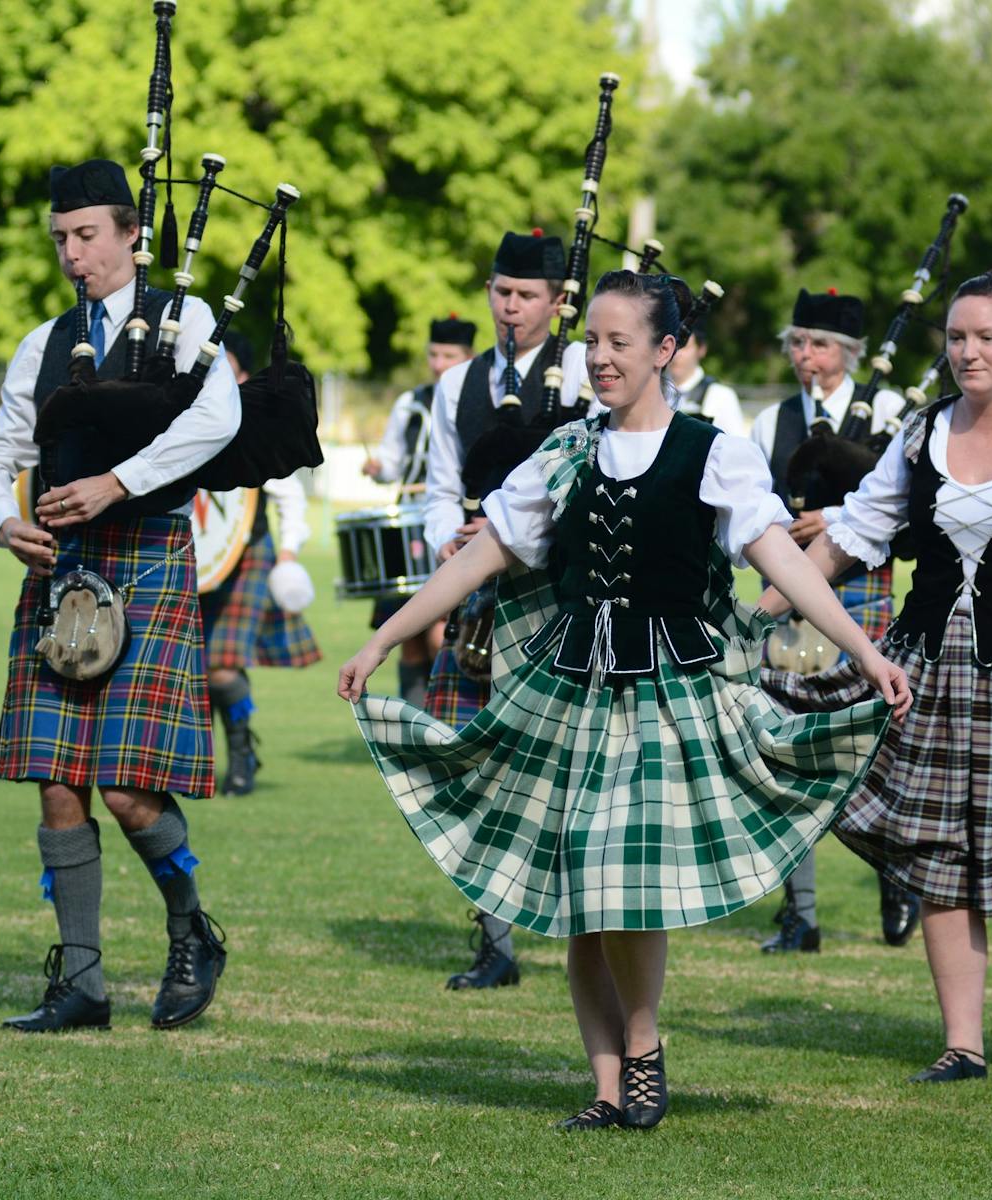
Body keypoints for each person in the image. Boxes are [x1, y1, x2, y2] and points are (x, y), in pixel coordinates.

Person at [340, 270, 905, 1130]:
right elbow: (479, 556)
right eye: (591, 343)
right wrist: (383, 637)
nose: (599, 359)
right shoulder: (565, 453)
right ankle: (607, 1088)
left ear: (665, 350)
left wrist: (864, 650)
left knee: (622, 885)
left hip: (670, 698)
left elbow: (781, 560)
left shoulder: (712, 450)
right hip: (570, 696)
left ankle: (645, 1050)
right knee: (580, 898)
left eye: (619, 343)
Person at [761, 269, 992, 1083]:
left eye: (987, 337)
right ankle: (963, 1043)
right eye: (956, 337)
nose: (968, 352)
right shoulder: (919, 435)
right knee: (936, 851)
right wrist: (766, 608)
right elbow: (851, 535)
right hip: (926, 671)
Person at [0, 158, 240, 1033]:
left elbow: (217, 418)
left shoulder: (184, 317)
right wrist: (0, 524)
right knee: (56, 782)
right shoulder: (41, 343)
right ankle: (80, 981)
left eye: (87, 236)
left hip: (148, 551)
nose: (73, 255)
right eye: (60, 240)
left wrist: (118, 482)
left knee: (127, 791)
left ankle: (190, 926)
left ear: (130, 234)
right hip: (63, 567)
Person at [422, 231, 588, 991]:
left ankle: (589, 922)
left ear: (559, 302)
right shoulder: (456, 386)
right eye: (500, 291)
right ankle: (496, 942)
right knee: (476, 767)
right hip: (482, 596)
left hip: (566, 593)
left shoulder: (588, 371)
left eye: (525, 295)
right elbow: (436, 488)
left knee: (569, 772)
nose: (509, 307)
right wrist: (450, 543)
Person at [749, 288, 917, 954]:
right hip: (788, 597)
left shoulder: (892, 412)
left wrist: (840, 519)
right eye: (797, 342)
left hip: (863, 596)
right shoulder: (772, 421)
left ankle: (897, 876)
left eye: (817, 344)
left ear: (847, 353)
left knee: (879, 750)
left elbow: (907, 513)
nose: (804, 355)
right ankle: (802, 914)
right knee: (789, 751)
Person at [200, 335, 321, 796]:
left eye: (227, 365)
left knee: (223, 666)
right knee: (195, 667)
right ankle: (202, 763)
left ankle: (243, 756)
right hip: (192, 557)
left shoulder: (257, 420)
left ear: (246, 374)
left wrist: (288, 553)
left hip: (248, 555)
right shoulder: (184, 415)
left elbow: (289, 495)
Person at [362, 316, 476, 708]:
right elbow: (393, 463)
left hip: (457, 528)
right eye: (434, 354)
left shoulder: (476, 399)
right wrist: (379, 470)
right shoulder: (409, 403)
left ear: (468, 357)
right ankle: (413, 728)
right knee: (408, 640)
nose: (439, 363)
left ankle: (443, 718)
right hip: (409, 524)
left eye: (450, 355)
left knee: (439, 633)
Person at [664, 326, 746, 435]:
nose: (677, 354)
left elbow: (737, 448)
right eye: (671, 346)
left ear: (702, 349)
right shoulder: (651, 393)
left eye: (684, 346)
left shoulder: (722, 397)